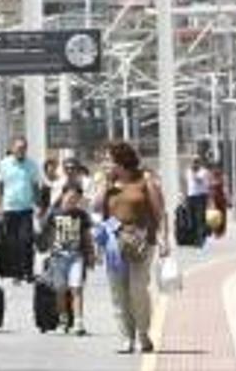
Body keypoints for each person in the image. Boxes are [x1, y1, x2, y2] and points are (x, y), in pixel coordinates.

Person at [94, 141, 170, 354]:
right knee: (118, 292)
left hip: (141, 241)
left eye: (108, 159)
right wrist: (106, 185)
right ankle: (126, 337)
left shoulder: (145, 181)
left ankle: (144, 334)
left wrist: (164, 239)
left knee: (138, 290)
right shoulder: (108, 183)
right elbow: (95, 206)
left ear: (121, 160)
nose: (105, 163)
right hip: (113, 242)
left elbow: (160, 212)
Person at [40, 185, 95, 335]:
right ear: (63, 196)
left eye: (76, 198)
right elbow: (42, 227)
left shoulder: (81, 215)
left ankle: (79, 322)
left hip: (76, 256)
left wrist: (91, 254)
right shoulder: (54, 213)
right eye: (70, 197)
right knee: (60, 290)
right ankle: (63, 320)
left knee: (76, 288)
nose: (72, 200)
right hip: (58, 257)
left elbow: (87, 236)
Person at [0, 137, 43, 282]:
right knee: (13, 243)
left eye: (24, 147)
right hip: (9, 209)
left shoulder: (32, 165)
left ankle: (28, 271)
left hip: (26, 208)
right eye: (19, 147)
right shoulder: (4, 164)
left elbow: (35, 187)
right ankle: (16, 273)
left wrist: (39, 206)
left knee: (26, 240)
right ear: (12, 148)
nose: (22, 150)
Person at [185, 158, 211, 243]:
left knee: (199, 218)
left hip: (200, 197)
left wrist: (194, 174)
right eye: (194, 162)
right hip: (190, 197)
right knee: (191, 218)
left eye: (197, 163)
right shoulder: (188, 171)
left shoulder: (204, 172)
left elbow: (200, 181)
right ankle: (198, 234)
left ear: (200, 163)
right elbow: (187, 183)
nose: (195, 164)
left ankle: (199, 238)